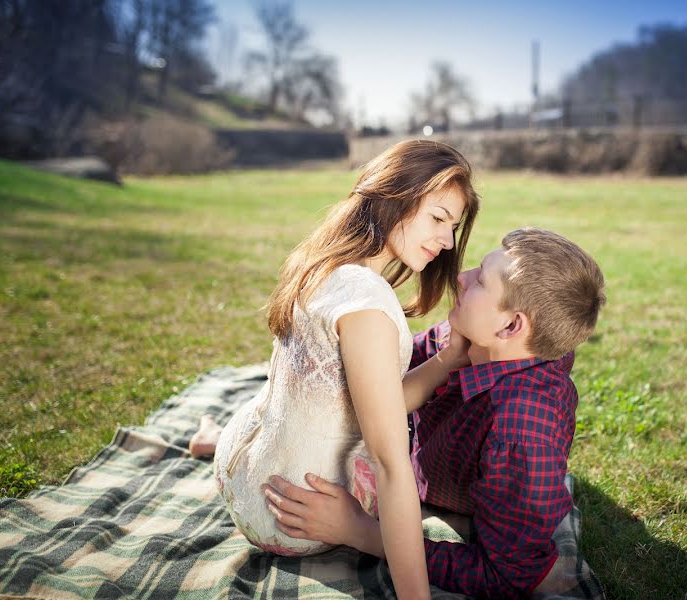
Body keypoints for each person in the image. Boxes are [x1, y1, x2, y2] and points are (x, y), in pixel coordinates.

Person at [190, 139, 480, 600]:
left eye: (453, 226)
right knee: (393, 458)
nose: (447, 241)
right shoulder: (367, 306)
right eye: (438, 219)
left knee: (285, 398)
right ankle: (214, 438)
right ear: (394, 197)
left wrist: (447, 360)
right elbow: (390, 464)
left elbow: (374, 401)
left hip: (244, 472)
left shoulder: (321, 261)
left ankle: (214, 440)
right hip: (297, 514)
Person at [261, 228, 607, 598]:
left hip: (454, 486)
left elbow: (506, 576)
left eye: (481, 281)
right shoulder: (478, 338)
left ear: (510, 326)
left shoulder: (522, 433)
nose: (462, 276)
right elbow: (383, 376)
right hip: (419, 454)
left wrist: (359, 532)